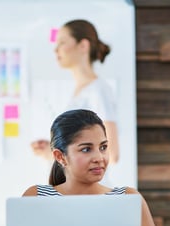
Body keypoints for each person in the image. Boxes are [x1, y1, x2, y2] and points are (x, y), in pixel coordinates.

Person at [0, 109, 158, 226]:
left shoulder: (128, 198)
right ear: (60, 157)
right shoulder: (36, 197)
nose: (99, 157)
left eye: (103, 147)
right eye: (86, 149)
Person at [31, 20, 119, 169]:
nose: (55, 49)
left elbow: (112, 154)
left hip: (88, 191)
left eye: (62, 42)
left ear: (83, 45)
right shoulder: (79, 92)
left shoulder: (98, 90)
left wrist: (56, 156)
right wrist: (54, 150)